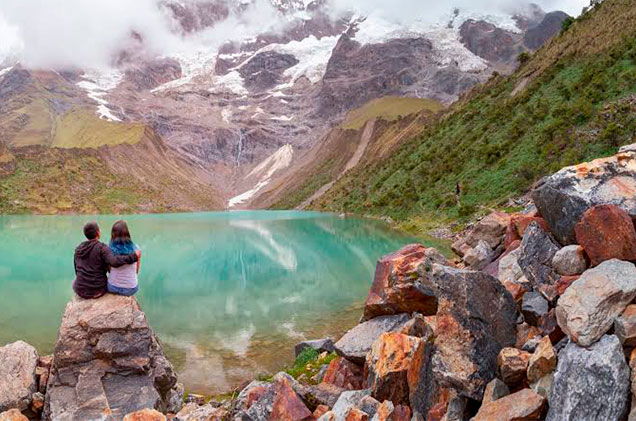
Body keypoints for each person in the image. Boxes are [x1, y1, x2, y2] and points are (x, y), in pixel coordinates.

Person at [73, 221, 140, 299]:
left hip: (80, 291)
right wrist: (134, 256)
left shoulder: (78, 249)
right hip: (98, 291)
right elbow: (114, 262)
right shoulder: (102, 248)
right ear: (98, 233)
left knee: (74, 282)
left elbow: (76, 270)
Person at [107, 220, 141, 296]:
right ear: (127, 233)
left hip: (112, 287)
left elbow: (109, 270)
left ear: (113, 234)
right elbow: (136, 271)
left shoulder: (108, 249)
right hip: (131, 288)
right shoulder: (136, 249)